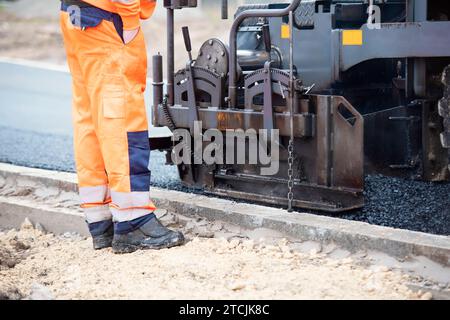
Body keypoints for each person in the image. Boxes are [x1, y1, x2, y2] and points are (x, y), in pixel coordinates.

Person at [59, 0, 184, 254]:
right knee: (121, 120)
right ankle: (133, 219)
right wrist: (129, 22)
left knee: (90, 118)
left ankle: (99, 219)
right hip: (109, 21)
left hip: (77, 15)